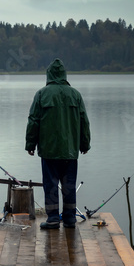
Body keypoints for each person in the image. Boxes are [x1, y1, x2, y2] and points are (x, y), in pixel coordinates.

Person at [25, 58, 91, 229]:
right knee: (69, 185)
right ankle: (69, 219)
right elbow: (84, 121)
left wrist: (30, 144)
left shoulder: (41, 94)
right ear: (64, 75)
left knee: (51, 184)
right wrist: (84, 144)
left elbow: (33, 121)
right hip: (70, 150)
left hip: (49, 150)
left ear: (49, 75)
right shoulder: (75, 94)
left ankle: (53, 219)